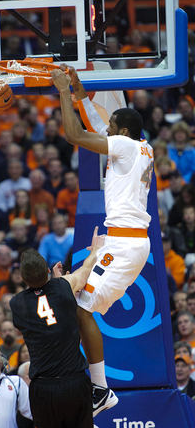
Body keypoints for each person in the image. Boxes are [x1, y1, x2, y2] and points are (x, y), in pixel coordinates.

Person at [52, 64, 154, 415]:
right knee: (76, 301)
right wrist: (80, 91)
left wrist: (63, 91)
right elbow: (97, 126)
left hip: (124, 244)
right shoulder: (138, 146)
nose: (106, 130)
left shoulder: (124, 147)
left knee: (80, 306)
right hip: (123, 241)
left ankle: (100, 389)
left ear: (123, 132)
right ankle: (95, 385)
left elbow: (75, 135)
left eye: (113, 127)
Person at [10, 227, 104, 428]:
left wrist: (53, 283)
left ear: (23, 279)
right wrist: (95, 250)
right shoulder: (63, 286)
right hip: (74, 383)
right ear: (47, 269)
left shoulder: (17, 303)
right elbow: (86, 270)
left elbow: (39, 304)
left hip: (44, 388)